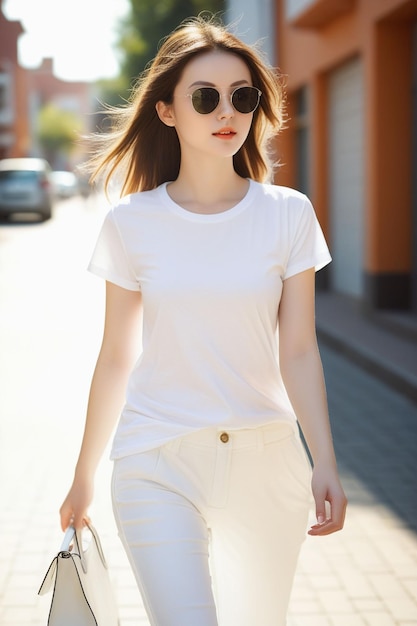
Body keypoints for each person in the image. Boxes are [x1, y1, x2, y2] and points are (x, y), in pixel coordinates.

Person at [60, 15, 347, 626]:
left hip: (266, 462)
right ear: (167, 111)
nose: (228, 112)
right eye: (205, 97)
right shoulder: (131, 223)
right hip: (156, 461)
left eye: (243, 97)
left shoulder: (289, 215)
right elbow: (116, 356)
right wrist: (82, 475)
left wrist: (324, 457)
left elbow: (297, 350)